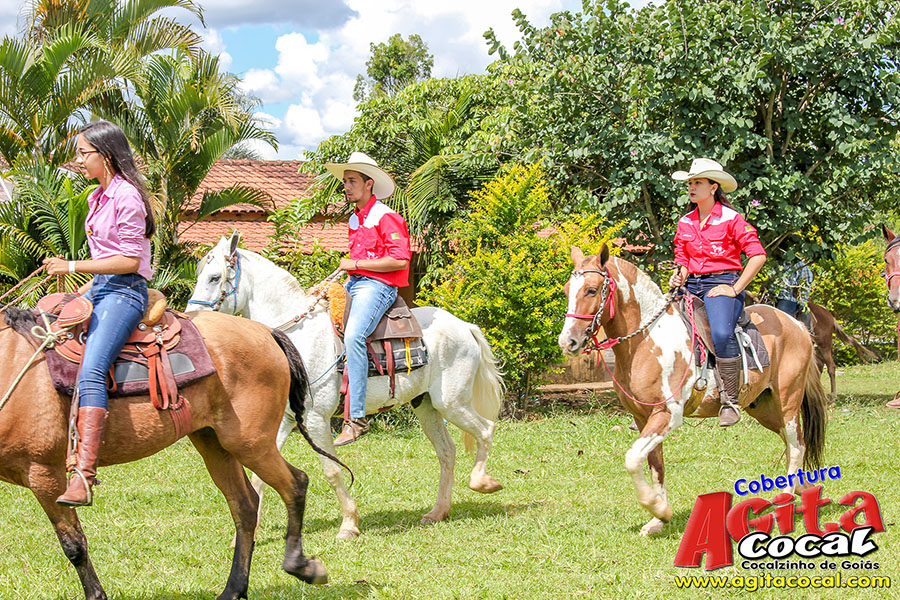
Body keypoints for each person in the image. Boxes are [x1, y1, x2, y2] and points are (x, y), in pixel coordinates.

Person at [43, 121, 153, 506]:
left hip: (126, 294)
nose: (78, 160)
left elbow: (127, 260)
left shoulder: (128, 197)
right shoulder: (97, 197)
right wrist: (81, 290)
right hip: (103, 289)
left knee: (91, 369)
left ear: (105, 155)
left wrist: (72, 268)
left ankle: (84, 475)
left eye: (83, 153)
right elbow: (105, 261)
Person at [669, 158, 767, 427]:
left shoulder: (732, 219)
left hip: (722, 283)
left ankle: (730, 400)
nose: (692, 187)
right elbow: (683, 258)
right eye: (690, 182)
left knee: (722, 334)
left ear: (713, 187)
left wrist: (735, 288)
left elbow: (758, 256)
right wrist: (679, 273)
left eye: (697, 182)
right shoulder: (685, 222)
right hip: (691, 286)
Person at [324, 152, 411, 446]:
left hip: (378, 287)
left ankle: (356, 419)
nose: (346, 187)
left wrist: (355, 265)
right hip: (354, 283)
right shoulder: (355, 218)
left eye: (352, 181)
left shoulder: (386, 216)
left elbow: (399, 261)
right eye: (345, 182)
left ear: (369, 183)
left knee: (353, 337)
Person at [772, 257, 814, 329]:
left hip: (787, 297)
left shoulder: (798, 264)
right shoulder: (774, 261)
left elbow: (807, 280)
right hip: (770, 295)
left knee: (779, 322)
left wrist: (801, 299)